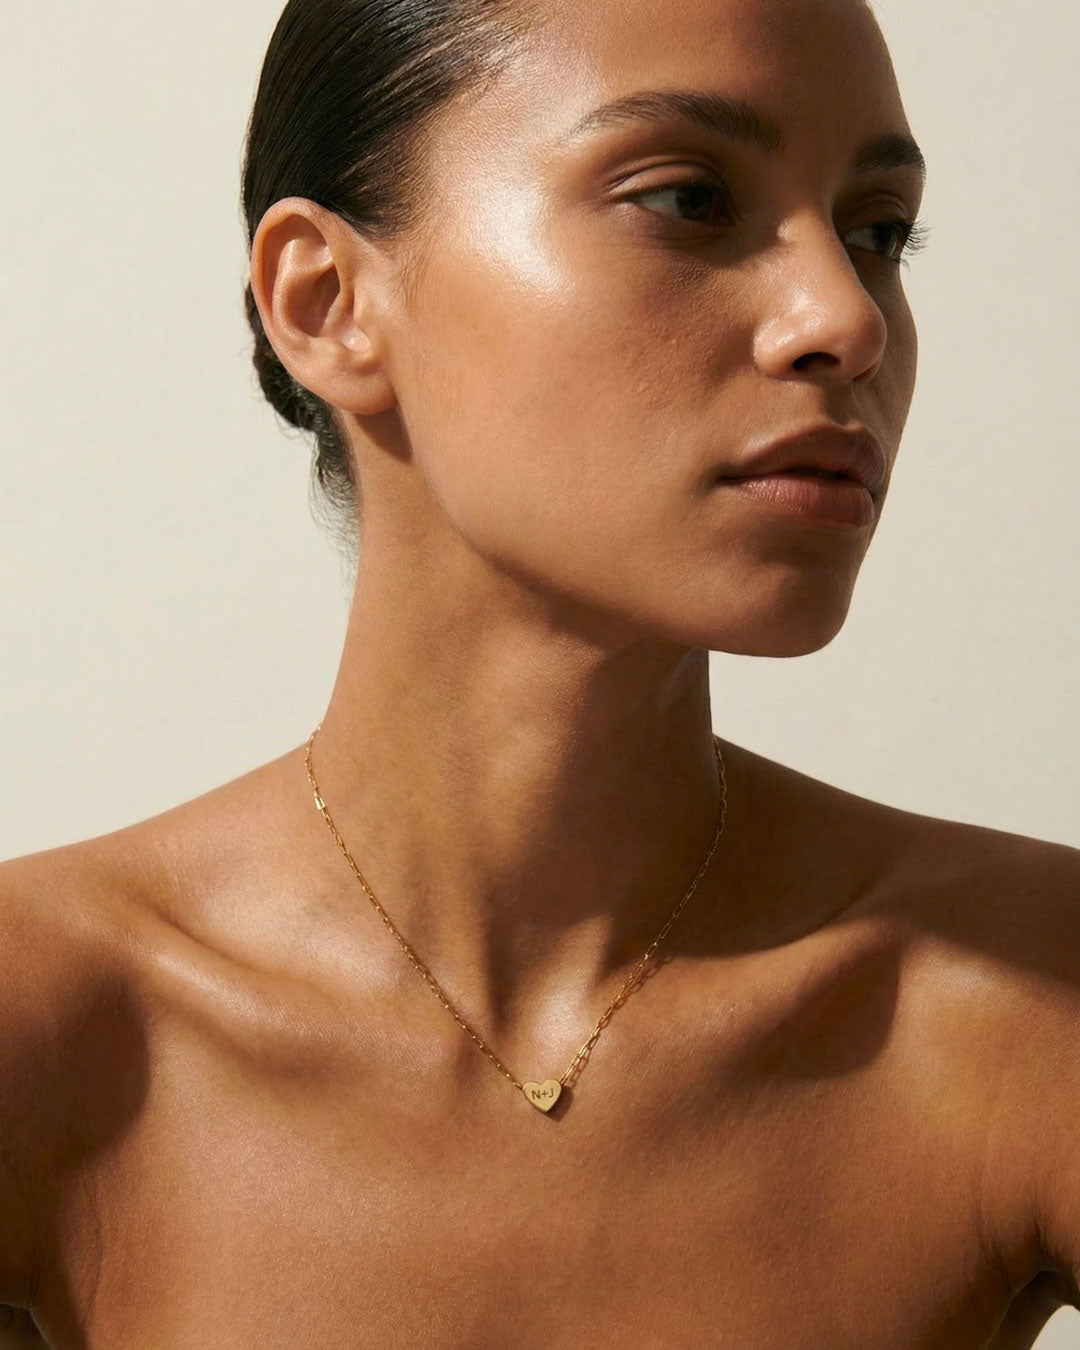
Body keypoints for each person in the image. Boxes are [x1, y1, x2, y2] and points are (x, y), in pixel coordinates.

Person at [2, 0, 1078, 1344]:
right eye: (687, 198)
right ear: (326, 303)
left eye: (879, 232)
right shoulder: (53, 1015)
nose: (845, 319)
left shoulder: (1028, 992)